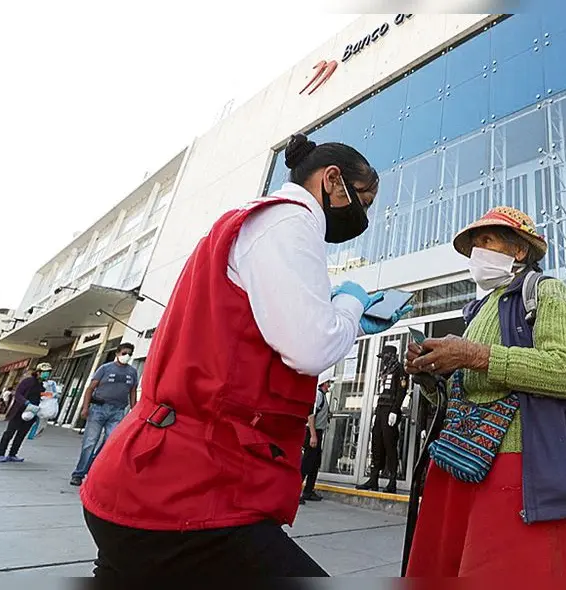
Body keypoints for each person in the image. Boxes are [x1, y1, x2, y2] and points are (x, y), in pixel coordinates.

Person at [79, 133, 410, 580]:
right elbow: (312, 347)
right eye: (363, 201)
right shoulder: (291, 224)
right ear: (332, 180)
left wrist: (334, 314)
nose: (363, 216)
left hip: (148, 478)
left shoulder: (250, 225)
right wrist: (350, 304)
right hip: (188, 493)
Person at [403, 206, 566, 577]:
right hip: (465, 461)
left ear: (518, 250)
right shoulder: (478, 311)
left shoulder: (546, 291)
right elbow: (463, 396)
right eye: (473, 246)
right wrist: (429, 376)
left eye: (486, 241)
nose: (477, 253)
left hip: (518, 467)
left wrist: (475, 355)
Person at [70, 343, 139, 486]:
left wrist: (135, 410)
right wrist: (85, 407)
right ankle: (79, 473)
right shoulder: (105, 368)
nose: (127, 356)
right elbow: (90, 388)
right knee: (90, 442)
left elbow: (132, 391)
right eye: (125, 353)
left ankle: (94, 467)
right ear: (117, 353)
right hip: (98, 409)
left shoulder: (132, 372)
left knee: (110, 443)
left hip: (118, 411)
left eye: (130, 354)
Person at [356, 345, 409, 493]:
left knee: (390, 444)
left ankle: (392, 481)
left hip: (390, 410)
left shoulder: (400, 369)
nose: (382, 360)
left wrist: (394, 410)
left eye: (384, 356)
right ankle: (373, 479)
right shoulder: (385, 370)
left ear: (391, 355)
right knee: (376, 443)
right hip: (380, 410)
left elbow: (401, 391)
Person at [0, 363, 52, 462]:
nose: (46, 374)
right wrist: (26, 403)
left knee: (21, 434)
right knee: (9, 433)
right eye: (44, 372)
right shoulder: (28, 381)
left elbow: (41, 395)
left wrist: (51, 395)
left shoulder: (42, 385)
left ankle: (13, 454)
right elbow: (18, 394)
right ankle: (0, 454)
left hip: (32, 412)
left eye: (48, 372)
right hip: (19, 411)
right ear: (38, 372)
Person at [300, 377, 333, 504]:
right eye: (328, 383)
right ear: (324, 383)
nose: (329, 385)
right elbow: (311, 415)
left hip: (318, 432)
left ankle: (308, 491)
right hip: (313, 432)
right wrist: (313, 435)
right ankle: (295, 492)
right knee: (307, 463)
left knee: (314, 464)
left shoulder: (323, 397)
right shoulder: (318, 396)